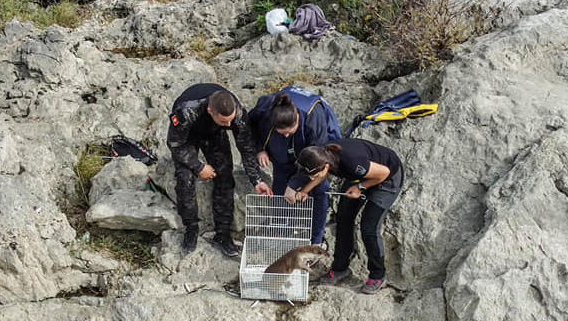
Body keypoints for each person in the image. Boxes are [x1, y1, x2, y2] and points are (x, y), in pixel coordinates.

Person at [166, 83, 272, 256]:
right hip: (187, 137)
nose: (229, 124)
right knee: (185, 179)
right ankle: (191, 228)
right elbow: (175, 144)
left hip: (214, 133)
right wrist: (199, 166)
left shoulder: (236, 114)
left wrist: (256, 180)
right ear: (210, 111)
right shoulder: (187, 111)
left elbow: (246, 148)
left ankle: (222, 234)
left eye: (230, 120)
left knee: (224, 176)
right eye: (225, 121)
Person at [292, 138, 403, 294]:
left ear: (326, 166)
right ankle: (340, 268)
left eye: (312, 175)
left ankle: (378, 274)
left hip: (387, 177)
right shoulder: (323, 156)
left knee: (369, 227)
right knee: (343, 218)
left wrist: (360, 187)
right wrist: (305, 190)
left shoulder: (352, 161)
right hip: (361, 176)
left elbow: (383, 173)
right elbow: (319, 174)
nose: (312, 178)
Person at [248, 86, 341, 245]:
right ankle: (282, 231)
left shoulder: (313, 116)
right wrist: (260, 149)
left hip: (314, 153)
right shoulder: (265, 108)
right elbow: (249, 124)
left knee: (319, 189)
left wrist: (296, 184)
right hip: (283, 154)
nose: (285, 134)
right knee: (280, 189)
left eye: (289, 132)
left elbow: (318, 158)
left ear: (297, 118)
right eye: (281, 132)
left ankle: (316, 241)